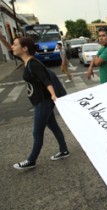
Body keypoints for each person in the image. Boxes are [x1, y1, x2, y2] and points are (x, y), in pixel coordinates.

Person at [11, 37, 70, 170]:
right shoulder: (26, 61)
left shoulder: (34, 63)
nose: (12, 47)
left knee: (37, 132)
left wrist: (53, 95)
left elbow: (46, 80)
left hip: (43, 103)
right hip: (41, 102)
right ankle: (64, 150)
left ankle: (31, 160)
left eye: (15, 45)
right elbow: (12, 51)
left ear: (25, 48)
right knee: (54, 126)